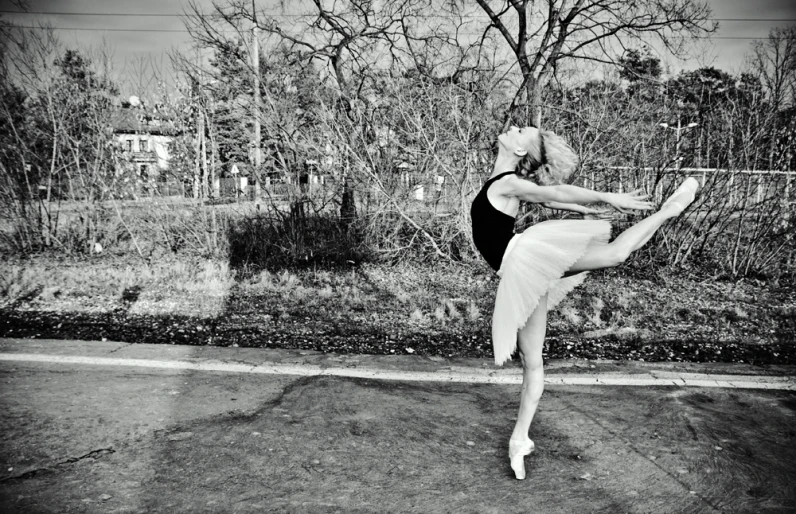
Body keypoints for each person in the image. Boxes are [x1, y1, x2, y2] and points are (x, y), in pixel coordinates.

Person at [470, 126, 698, 480]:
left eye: (521, 131)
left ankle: (670, 210)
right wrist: (582, 207)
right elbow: (549, 198)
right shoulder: (503, 181)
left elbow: (553, 191)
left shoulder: (506, 183)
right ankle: (520, 439)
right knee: (533, 363)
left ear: (519, 152)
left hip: (524, 257)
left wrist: (607, 198)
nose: (513, 127)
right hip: (521, 273)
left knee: (615, 254)